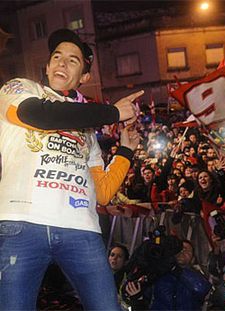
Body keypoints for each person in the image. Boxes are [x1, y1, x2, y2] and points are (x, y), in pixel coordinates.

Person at [0, 28, 143, 310]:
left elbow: (102, 193)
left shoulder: (87, 128)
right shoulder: (19, 89)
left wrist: (126, 151)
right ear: (48, 65)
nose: (62, 63)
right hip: (21, 223)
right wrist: (112, 112)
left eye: (73, 60)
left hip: (81, 230)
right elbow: (36, 115)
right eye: (57, 57)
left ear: (85, 77)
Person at [123, 239, 211, 310]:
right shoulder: (158, 273)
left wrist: (175, 268)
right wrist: (137, 298)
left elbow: (201, 288)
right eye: (180, 249)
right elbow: (133, 294)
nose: (183, 252)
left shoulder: (197, 276)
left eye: (187, 251)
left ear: (193, 259)